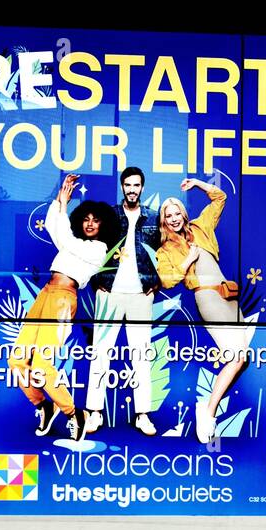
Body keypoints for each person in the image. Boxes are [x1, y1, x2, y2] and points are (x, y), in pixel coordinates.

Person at [8, 173, 118, 441]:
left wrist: (63, 206)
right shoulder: (72, 244)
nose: (90, 223)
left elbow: (64, 236)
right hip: (45, 295)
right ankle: (42, 405)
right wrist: (60, 200)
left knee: (42, 365)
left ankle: (73, 413)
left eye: (96, 220)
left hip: (63, 299)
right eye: (86, 219)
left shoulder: (97, 249)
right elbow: (54, 227)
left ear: (103, 225)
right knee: (16, 360)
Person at [156, 176, 251, 444]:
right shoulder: (165, 249)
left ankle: (209, 408)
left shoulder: (200, 227)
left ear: (184, 214)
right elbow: (167, 280)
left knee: (241, 358)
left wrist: (198, 183)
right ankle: (207, 412)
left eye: (177, 213)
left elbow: (220, 198)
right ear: (164, 220)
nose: (174, 218)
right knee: (236, 357)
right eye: (168, 215)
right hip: (207, 299)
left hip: (230, 297)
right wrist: (189, 259)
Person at [83, 166, 161, 437]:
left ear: (142, 187)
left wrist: (156, 284)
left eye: (136, 185)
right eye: (127, 185)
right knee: (100, 355)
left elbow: (165, 252)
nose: (131, 190)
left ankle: (142, 415)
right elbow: (91, 246)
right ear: (122, 187)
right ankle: (94, 412)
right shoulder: (111, 216)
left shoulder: (153, 218)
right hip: (110, 292)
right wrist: (97, 283)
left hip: (141, 295)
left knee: (141, 356)